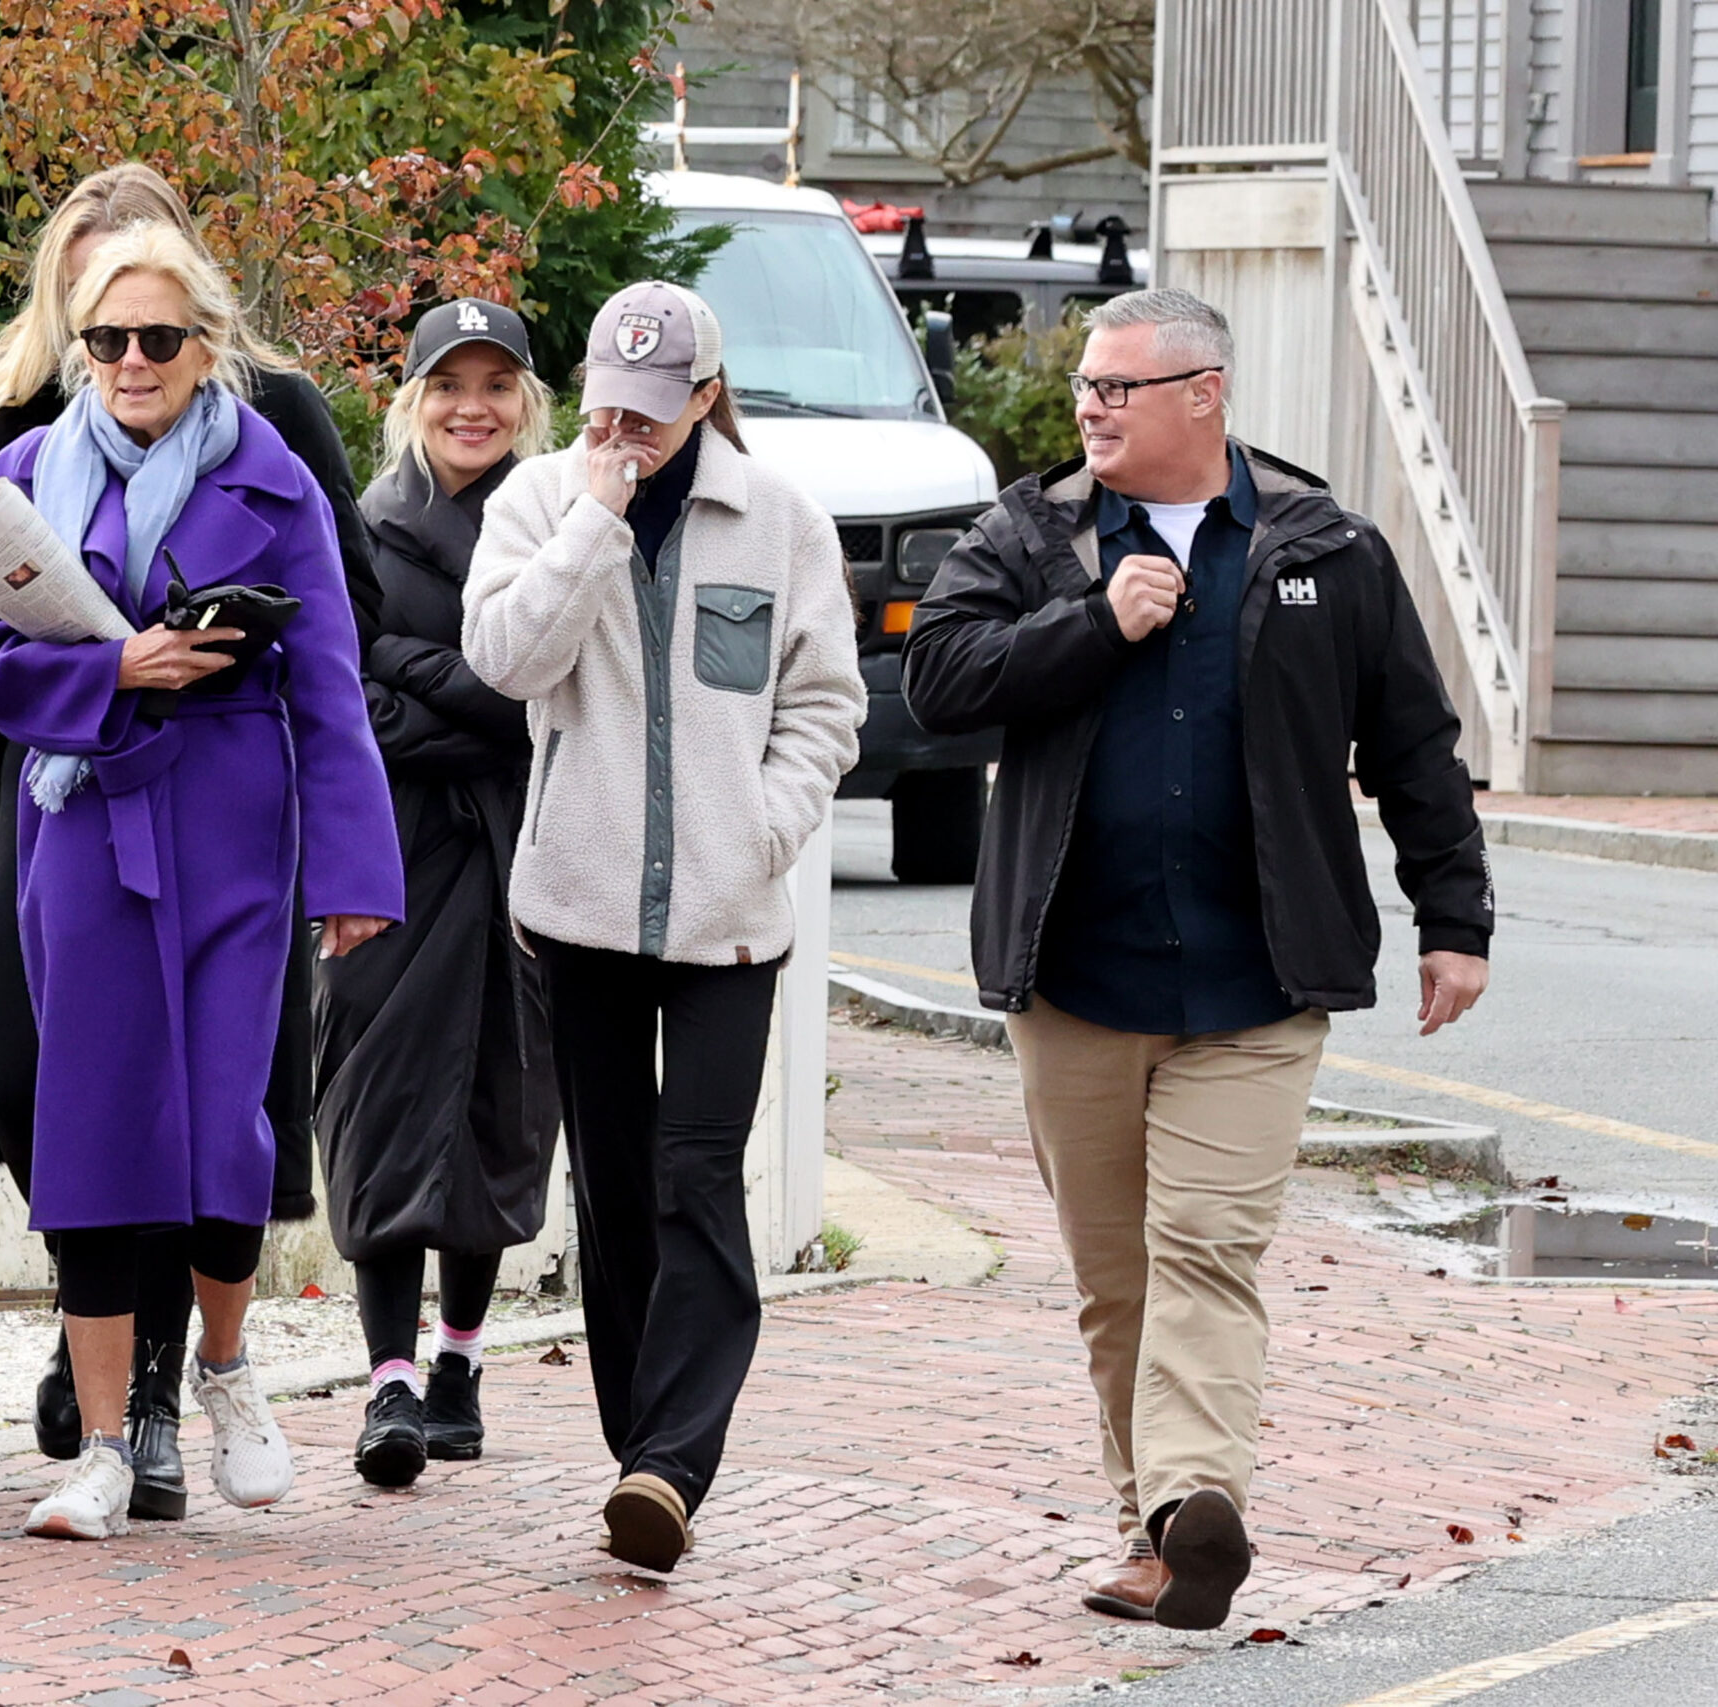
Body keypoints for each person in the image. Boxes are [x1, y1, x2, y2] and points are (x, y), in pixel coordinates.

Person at [901, 288, 1493, 1631]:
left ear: (1205, 393)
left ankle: (1191, 1497)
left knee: (1207, 1252)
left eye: (1121, 386)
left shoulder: (1322, 545)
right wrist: (1096, 623)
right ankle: (1159, 1531)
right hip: (1076, 979)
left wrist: (1453, 917)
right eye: (1087, 389)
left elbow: (1412, 741)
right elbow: (938, 681)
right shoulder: (1031, 534)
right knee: (1120, 1284)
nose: (1093, 407)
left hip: (1255, 984)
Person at [0, 164, 377, 1524]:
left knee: (225, 1115)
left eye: (160, 337)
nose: (134, 361)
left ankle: (222, 1365)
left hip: (231, 823)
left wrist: (350, 874)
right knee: (90, 1121)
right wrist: (121, 675)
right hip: (84, 818)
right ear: (77, 341)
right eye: (108, 339)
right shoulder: (27, 460)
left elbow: (331, 676)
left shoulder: (277, 471)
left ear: (207, 342)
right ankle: (105, 1446)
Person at [461, 282, 865, 1572]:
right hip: (575, 910)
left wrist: (763, 825)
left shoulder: (782, 521)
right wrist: (593, 519)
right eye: (606, 410)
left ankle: (670, 1462)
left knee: (698, 1178)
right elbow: (505, 662)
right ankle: (641, 1443)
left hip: (726, 918)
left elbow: (824, 706)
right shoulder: (540, 500)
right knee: (616, 1187)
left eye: (652, 413)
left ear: (705, 397)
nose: (625, 433)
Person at [314, 300, 561, 1489]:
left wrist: (424, 681)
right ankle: (388, 1384)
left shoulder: (557, 527)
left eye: (496, 385)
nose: (474, 406)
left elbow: (556, 695)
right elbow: (343, 700)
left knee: (499, 1106)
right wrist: (475, 692)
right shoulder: (361, 532)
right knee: (380, 1102)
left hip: (528, 857)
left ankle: (461, 1363)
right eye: (448, 384)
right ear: (410, 398)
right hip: (392, 862)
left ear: (526, 402)